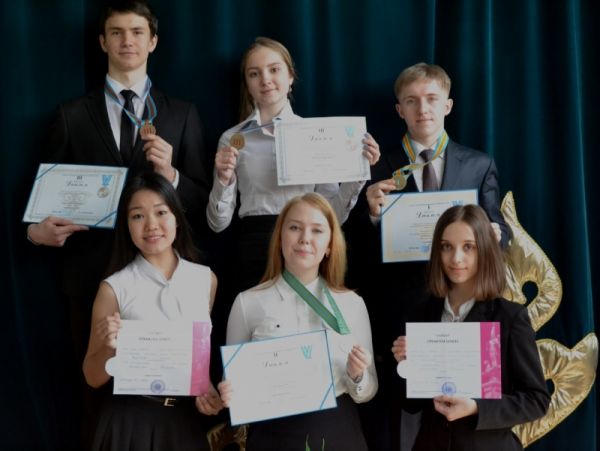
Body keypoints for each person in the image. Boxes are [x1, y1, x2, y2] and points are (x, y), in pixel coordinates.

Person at [25, 0, 210, 390]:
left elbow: (199, 202)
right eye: (117, 33)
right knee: (94, 390)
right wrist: (36, 233)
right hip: (89, 275)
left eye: (137, 32)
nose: (128, 41)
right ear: (103, 42)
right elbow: (42, 201)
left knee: (168, 386)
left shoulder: (182, 114)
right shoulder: (71, 115)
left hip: (163, 280)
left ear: (153, 41)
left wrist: (171, 174)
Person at [344, 62, 510, 450]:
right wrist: (370, 215)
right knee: (397, 422)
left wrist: (495, 235)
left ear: (448, 105)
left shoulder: (479, 164)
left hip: (462, 309)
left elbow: (500, 234)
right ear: (399, 109)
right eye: (412, 101)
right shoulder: (375, 167)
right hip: (397, 312)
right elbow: (351, 252)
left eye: (432, 99)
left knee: (463, 418)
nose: (423, 109)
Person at [206, 36, 380, 296]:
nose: (265, 79)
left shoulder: (317, 135)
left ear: (290, 77)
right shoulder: (232, 139)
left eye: (274, 69)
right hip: (255, 247)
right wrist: (224, 179)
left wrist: (357, 173)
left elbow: (333, 214)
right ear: (247, 84)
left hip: (306, 245)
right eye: (254, 73)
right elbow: (217, 223)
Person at [218, 192, 378, 451]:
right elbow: (233, 386)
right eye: (294, 228)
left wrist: (357, 374)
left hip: (338, 432)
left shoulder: (352, 304)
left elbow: (368, 391)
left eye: (317, 230)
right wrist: (229, 394)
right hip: (272, 436)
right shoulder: (247, 303)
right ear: (280, 237)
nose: (305, 238)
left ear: (329, 245)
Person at [391, 204, 549, 450]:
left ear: (484, 250)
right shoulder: (421, 313)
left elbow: (536, 400)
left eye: (468, 247)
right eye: (446, 247)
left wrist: (477, 407)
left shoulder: (509, 317)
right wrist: (405, 365)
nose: (456, 258)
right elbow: (410, 405)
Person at [83, 172, 222, 451]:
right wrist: (110, 347)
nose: (151, 225)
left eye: (161, 212)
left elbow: (197, 355)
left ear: (177, 218)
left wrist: (206, 389)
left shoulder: (205, 279)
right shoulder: (114, 288)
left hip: (185, 421)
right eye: (137, 216)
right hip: (130, 423)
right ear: (127, 225)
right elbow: (92, 376)